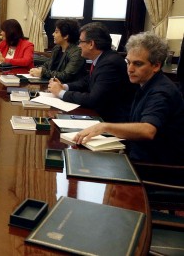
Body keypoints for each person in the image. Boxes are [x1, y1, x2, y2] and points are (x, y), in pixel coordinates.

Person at [71, 32, 184, 164]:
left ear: (156, 66)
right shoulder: (145, 84)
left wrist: (104, 127)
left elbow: (148, 130)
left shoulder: (161, 92)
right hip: (138, 155)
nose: (130, 69)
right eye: (128, 62)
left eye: (138, 64)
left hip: (156, 168)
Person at [48, 22, 136, 122]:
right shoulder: (103, 59)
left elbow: (93, 99)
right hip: (99, 115)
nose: (79, 46)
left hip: (111, 121)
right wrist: (64, 86)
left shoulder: (110, 63)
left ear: (91, 44)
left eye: (80, 42)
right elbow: (87, 81)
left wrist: (61, 93)